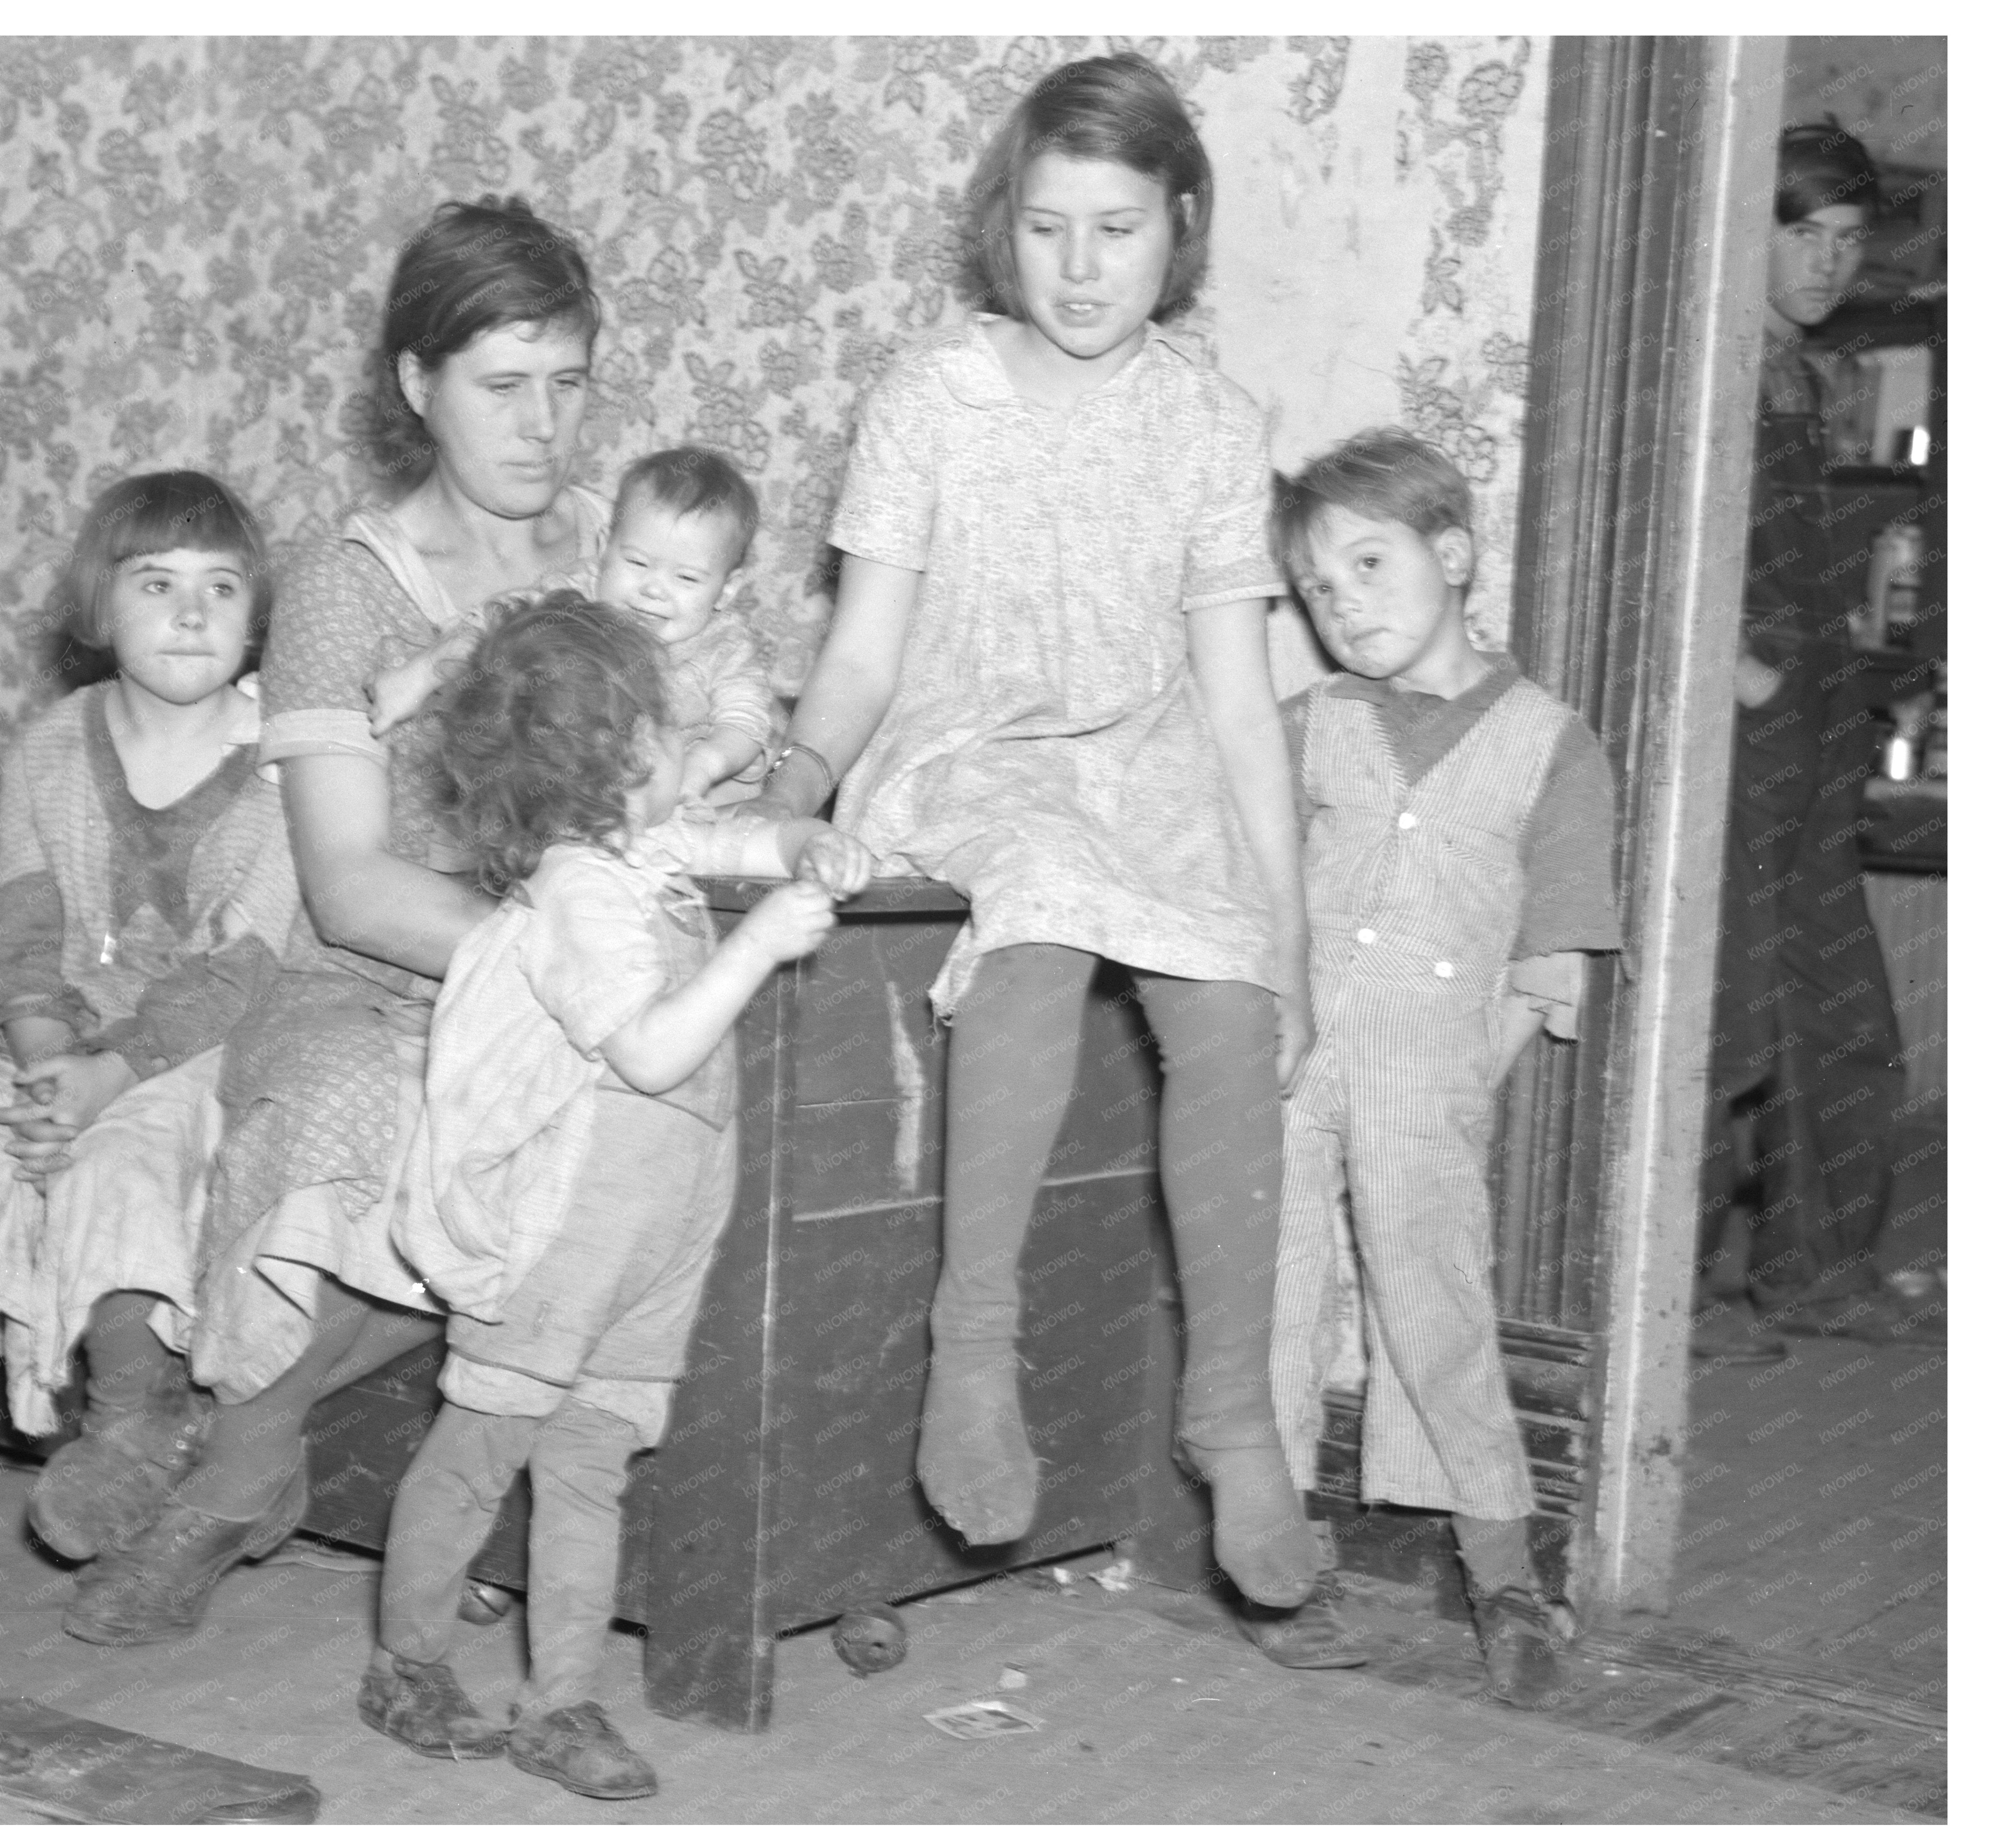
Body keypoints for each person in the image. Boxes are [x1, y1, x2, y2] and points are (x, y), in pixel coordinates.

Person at [745, 54, 1321, 1606]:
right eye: (1050, 227)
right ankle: (971, 1343)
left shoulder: (1209, 423)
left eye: (1117, 230)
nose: (1079, 267)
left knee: (1227, 993)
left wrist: (1289, 921)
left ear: (1177, 227)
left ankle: (1231, 1413)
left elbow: (1236, 699)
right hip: (971, 753)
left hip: (1141, 765)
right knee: (1048, 899)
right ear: (1005, 225)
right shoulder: (931, 399)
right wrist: (794, 779)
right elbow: (861, 653)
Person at [62, 196, 616, 1646]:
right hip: (367, 979)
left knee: (565, 1143)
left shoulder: (624, 562)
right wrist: (537, 959)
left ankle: (231, 1462)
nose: (544, 423)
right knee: (359, 1112)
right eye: (505, 386)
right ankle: (243, 1465)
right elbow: (352, 883)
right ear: (417, 384)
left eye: (570, 381)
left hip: (564, 985)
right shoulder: (338, 588)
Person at [359, 594, 873, 1799]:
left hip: (658, 1229)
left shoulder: (639, 844)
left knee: (591, 1461)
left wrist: (804, 846)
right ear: (602, 766)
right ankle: (408, 1659)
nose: (680, 743)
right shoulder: (578, 889)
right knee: (483, 1446)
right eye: (654, 730)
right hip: (563, 1234)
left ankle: (563, 1697)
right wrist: (757, 948)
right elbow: (647, 1050)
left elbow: (735, 841)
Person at [1254, 429, 1622, 1707]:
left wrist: (1466, 1075)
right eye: (1317, 586)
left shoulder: (1547, 742)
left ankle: (1503, 1570)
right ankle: (1279, 1559)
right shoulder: (1309, 724)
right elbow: (1236, 862)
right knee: (1276, 1302)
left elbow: (1554, 950)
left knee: (1439, 1317)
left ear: (1454, 552)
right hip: (1288, 1069)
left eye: (1369, 560)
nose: (1343, 599)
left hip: (1434, 1080)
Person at [0, 470, 296, 1562]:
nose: (193, 611)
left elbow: (240, 972)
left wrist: (107, 1081)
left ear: (257, 615)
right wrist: (42, 1062)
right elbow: (19, 938)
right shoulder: (49, 750)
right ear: (99, 607)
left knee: (118, 1178)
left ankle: (131, 1436)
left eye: (221, 586)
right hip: (46, 1043)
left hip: (192, 1053)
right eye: (157, 583)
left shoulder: (281, 769)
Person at [1693, 122, 1933, 1359]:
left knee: (1841, 1014)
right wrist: (1738, 677)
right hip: (1746, 740)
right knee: (1720, 1017)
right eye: (1807, 234)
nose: (1830, 263)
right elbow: (1668, 546)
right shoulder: (1712, 363)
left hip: (1814, 732)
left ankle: (1816, 1267)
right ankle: (1666, 1301)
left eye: (1848, 241)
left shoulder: (1805, 370)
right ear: (1755, 231)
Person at [369, 445, 777, 803]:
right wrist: (422, 674)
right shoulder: (576, 596)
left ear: (726, 590)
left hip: (705, 806)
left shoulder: (726, 643)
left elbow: (746, 722)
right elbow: (496, 625)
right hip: (592, 806)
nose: (654, 590)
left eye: (686, 578)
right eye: (636, 563)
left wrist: (703, 767)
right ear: (604, 549)